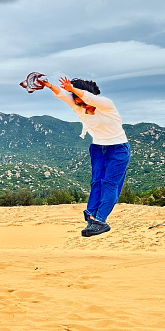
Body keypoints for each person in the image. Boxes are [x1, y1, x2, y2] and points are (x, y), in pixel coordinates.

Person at [41, 77, 131, 237]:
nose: (81, 105)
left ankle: (101, 220)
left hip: (118, 148)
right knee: (96, 182)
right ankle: (91, 216)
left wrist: (74, 89)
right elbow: (63, 95)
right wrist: (48, 85)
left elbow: (89, 98)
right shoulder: (79, 107)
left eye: (82, 101)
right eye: (78, 102)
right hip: (97, 148)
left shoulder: (106, 105)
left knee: (109, 184)